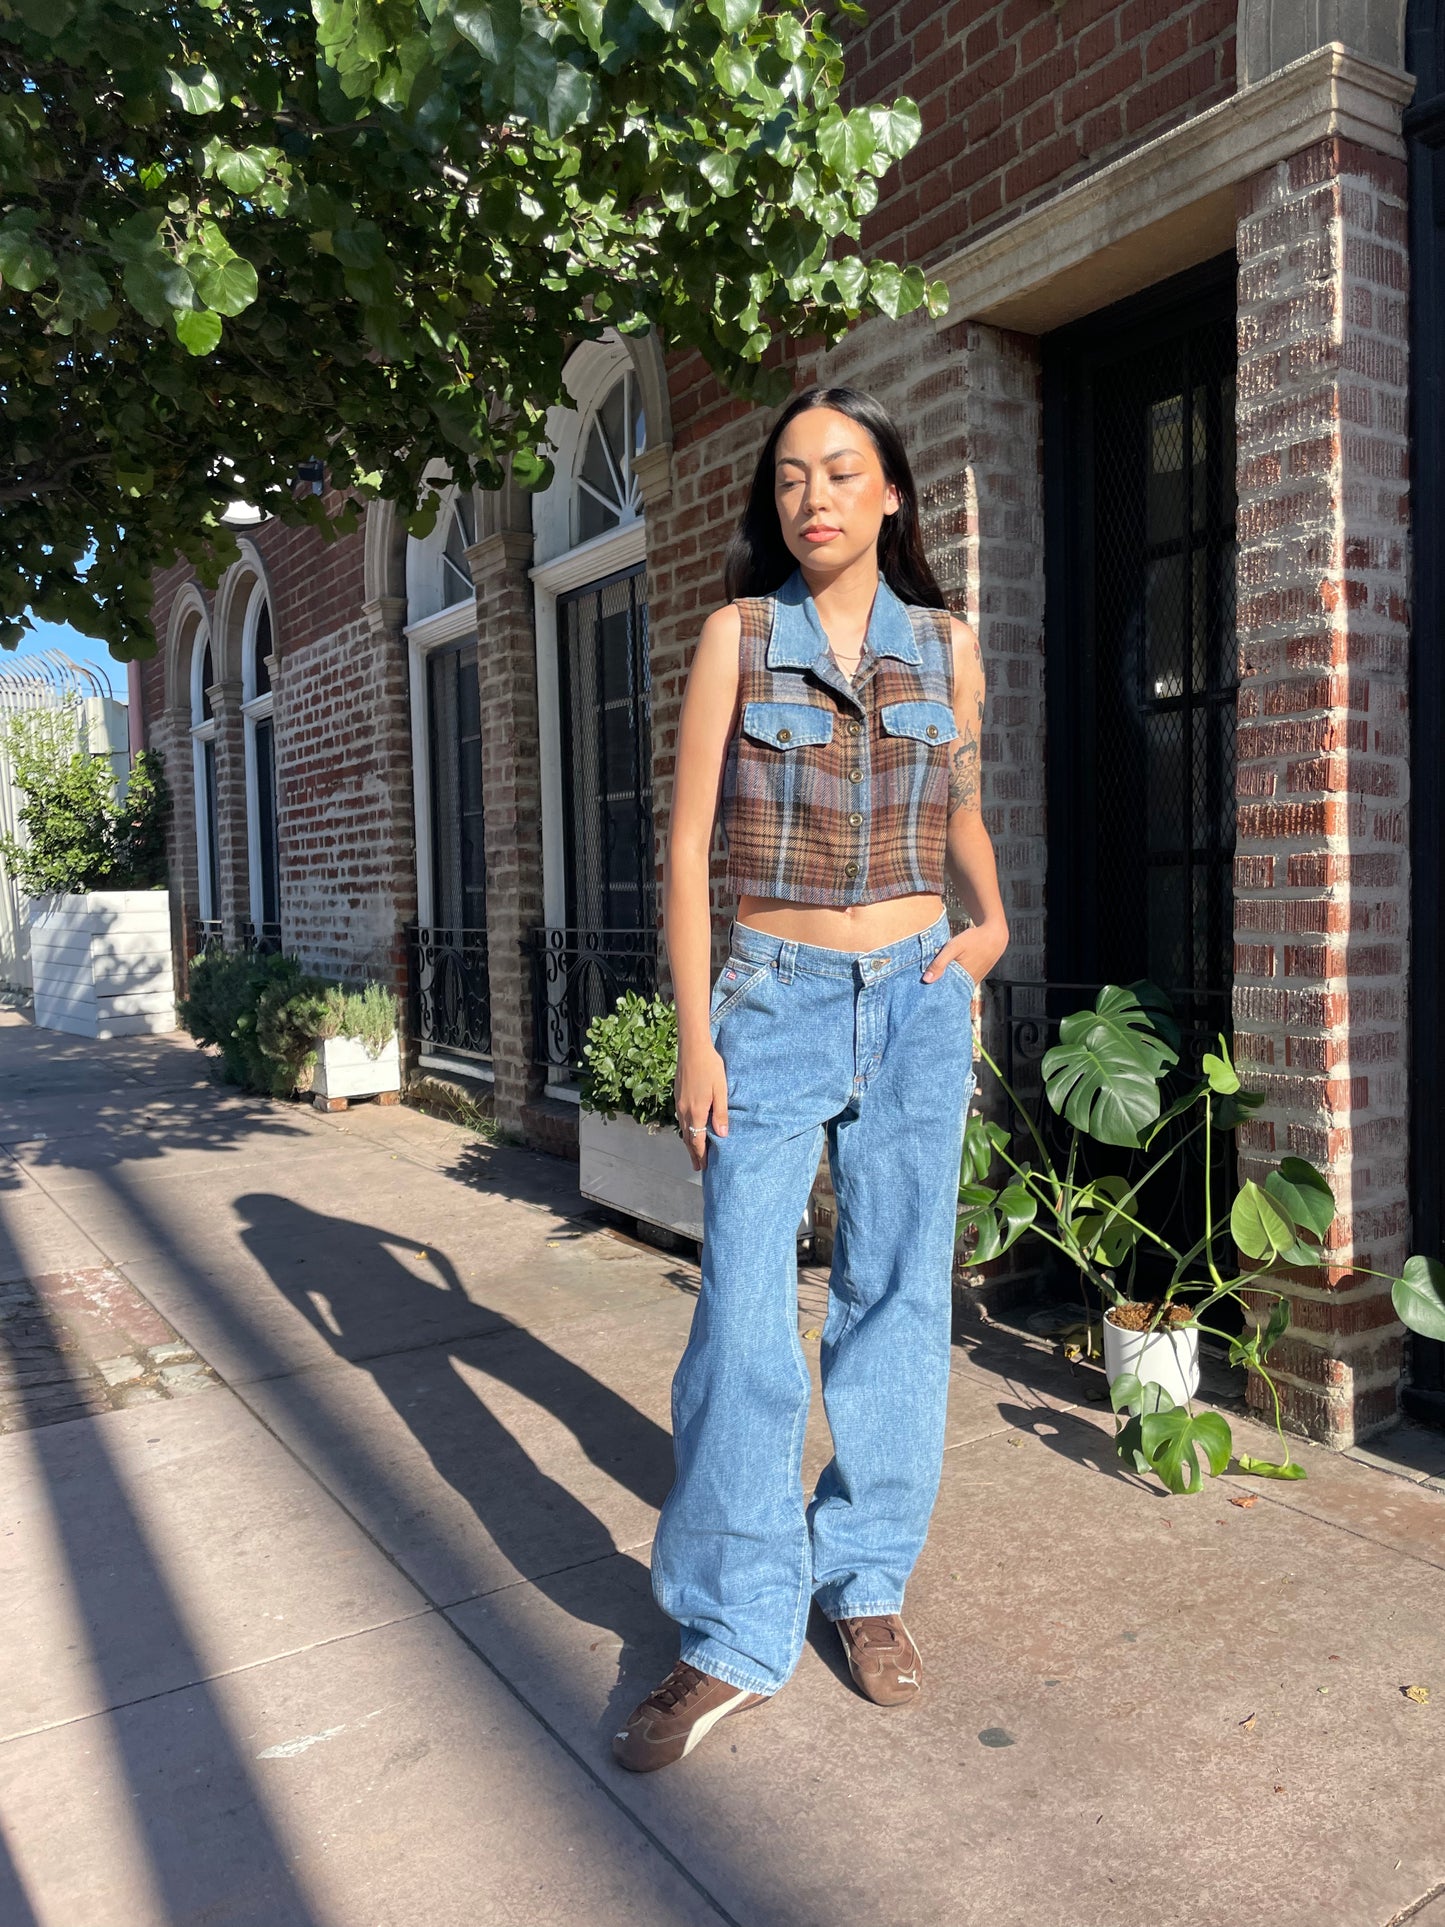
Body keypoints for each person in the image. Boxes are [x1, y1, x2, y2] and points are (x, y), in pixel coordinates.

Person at [612, 384, 1009, 1773]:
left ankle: (867, 1580)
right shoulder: (739, 636)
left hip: (913, 999)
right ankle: (731, 1631)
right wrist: (694, 1038)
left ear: (892, 492)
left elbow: (953, 805)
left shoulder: (946, 648)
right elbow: (680, 851)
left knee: (896, 1301)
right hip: (772, 1002)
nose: (813, 494)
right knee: (738, 1321)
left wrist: (991, 923)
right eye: (789, 476)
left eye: (841, 470)